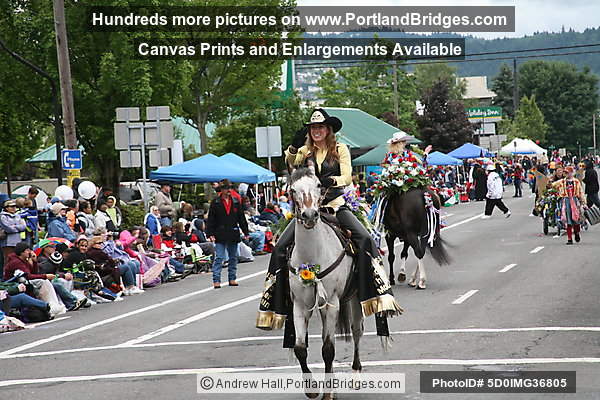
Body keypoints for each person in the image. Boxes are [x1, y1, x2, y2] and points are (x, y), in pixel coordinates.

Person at [256, 108, 401, 337]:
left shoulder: (340, 149)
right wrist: (293, 148)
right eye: (313, 128)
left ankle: (379, 292)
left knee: (364, 238)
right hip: (308, 210)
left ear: (328, 130)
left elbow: (346, 175)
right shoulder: (305, 151)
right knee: (280, 248)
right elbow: (291, 162)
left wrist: (332, 179)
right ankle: (274, 303)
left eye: (320, 127)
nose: (316, 131)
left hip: (334, 206)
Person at [206, 179, 249, 289]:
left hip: (233, 231)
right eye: (226, 188)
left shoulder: (235, 201)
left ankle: (232, 278)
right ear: (222, 190)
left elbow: (241, 218)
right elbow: (211, 219)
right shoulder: (215, 202)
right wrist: (210, 233)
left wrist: (245, 232)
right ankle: (216, 280)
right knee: (219, 257)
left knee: (233, 257)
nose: (229, 190)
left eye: (230, 188)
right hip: (220, 232)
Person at [553, 166, 586, 245]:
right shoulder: (562, 181)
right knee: (568, 220)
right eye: (565, 173)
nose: (566, 174)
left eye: (567, 172)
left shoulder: (576, 182)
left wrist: (584, 203)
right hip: (565, 201)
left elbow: (581, 192)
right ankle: (569, 239)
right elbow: (552, 185)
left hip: (575, 201)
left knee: (576, 219)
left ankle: (577, 232)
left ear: (571, 173)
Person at [0, 200, 27, 265]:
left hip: (18, 242)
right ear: (6, 208)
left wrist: (14, 227)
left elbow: (23, 226)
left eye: (15, 206)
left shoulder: (18, 215)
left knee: (18, 261)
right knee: (8, 261)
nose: (14, 208)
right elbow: (8, 228)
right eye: (11, 206)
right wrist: (18, 227)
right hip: (7, 243)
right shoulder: (2, 216)